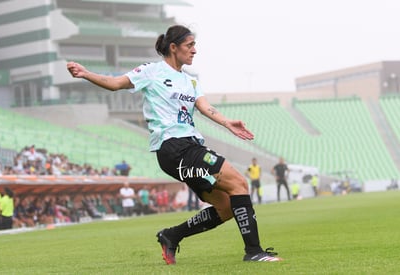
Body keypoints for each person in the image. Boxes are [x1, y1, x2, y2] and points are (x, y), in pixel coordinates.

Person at [67, 24, 282, 263]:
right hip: (173, 148)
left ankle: (171, 236)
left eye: (194, 46)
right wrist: (86, 74)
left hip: (190, 146)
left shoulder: (190, 82)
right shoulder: (152, 71)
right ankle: (254, 251)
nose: (194, 50)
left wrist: (227, 122)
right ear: (173, 47)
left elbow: (205, 107)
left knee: (226, 208)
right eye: (190, 45)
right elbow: (116, 83)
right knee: (240, 183)